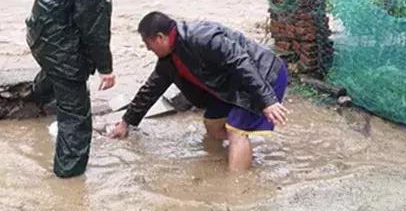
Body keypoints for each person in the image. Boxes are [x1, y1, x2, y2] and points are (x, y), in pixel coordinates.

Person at [108, 11, 289, 171]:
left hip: (264, 74)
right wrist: (125, 123)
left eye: (147, 43)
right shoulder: (168, 60)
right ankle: (238, 153)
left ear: (160, 37)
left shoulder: (202, 37)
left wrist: (268, 100)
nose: (147, 48)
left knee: (236, 130)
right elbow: (150, 90)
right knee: (212, 125)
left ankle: (237, 188)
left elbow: (240, 61)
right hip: (234, 85)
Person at [26, 0, 118, 178]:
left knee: (56, 74)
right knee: (76, 118)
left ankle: (37, 96)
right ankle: (69, 179)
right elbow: (94, 22)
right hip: (61, 48)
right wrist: (106, 66)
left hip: (40, 38)